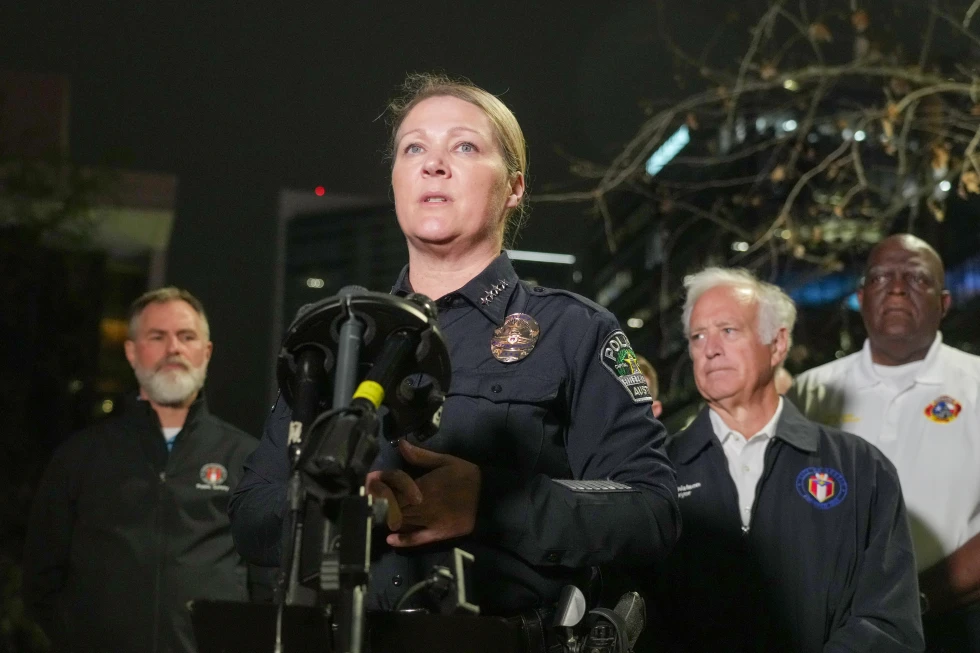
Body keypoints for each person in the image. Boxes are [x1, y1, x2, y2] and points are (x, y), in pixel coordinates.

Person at [229, 73, 680, 629]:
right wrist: (347, 508)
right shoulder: (336, 336)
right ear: (395, 178)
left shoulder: (576, 330)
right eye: (413, 147)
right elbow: (251, 516)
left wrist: (491, 503)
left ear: (514, 187)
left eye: (464, 146)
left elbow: (652, 512)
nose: (432, 163)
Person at [647, 267, 922, 652]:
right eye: (697, 336)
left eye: (728, 330)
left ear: (777, 344)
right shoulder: (656, 472)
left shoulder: (861, 468)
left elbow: (889, 621)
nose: (709, 349)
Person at [23, 288, 258, 653]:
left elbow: (271, 580)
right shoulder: (81, 456)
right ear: (132, 352)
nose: (173, 349)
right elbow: (41, 580)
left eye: (186, 336)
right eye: (157, 336)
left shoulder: (247, 459)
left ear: (206, 352)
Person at [789, 234, 980, 650]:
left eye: (916, 278)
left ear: (944, 303)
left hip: (956, 623)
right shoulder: (809, 392)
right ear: (861, 296)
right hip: (835, 630)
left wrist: (913, 602)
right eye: (880, 278)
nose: (896, 288)